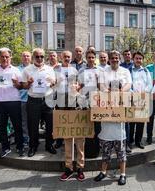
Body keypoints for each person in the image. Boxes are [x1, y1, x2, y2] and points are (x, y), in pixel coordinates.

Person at [94, 50, 132, 186]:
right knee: (105, 149)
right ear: (109, 60)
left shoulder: (125, 71)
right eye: (112, 58)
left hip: (120, 108)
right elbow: (101, 85)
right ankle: (103, 172)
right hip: (106, 108)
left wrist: (122, 91)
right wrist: (107, 92)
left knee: (121, 148)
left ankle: (122, 174)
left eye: (117, 58)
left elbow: (129, 84)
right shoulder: (104, 72)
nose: (115, 60)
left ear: (119, 59)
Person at [0, 47, 25, 158]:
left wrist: (16, 84)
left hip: (14, 101)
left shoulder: (16, 70)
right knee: (1, 126)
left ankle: (20, 146)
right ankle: (5, 147)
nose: (5, 58)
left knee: (17, 125)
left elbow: (21, 86)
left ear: (10, 57)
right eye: (2, 56)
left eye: (7, 56)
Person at [56, 51, 86, 182]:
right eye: (65, 57)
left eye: (69, 57)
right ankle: (68, 168)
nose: (67, 59)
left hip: (76, 106)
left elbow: (82, 84)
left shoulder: (75, 70)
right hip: (62, 106)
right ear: (61, 58)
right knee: (67, 138)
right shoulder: (56, 70)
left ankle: (80, 167)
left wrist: (78, 87)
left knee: (80, 139)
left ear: (71, 58)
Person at [22, 48, 57, 157]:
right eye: (37, 56)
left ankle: (49, 145)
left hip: (47, 99)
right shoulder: (27, 70)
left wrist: (52, 83)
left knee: (50, 124)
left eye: (42, 56)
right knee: (33, 125)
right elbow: (24, 86)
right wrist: (28, 83)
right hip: (33, 100)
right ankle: (33, 146)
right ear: (33, 58)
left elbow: (54, 84)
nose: (40, 58)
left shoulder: (50, 69)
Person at [78, 49, 101, 159]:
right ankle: (86, 151)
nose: (91, 59)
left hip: (97, 103)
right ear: (86, 58)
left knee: (96, 128)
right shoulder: (81, 71)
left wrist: (98, 81)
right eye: (89, 57)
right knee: (86, 127)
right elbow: (79, 86)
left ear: (94, 58)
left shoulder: (100, 70)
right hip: (85, 103)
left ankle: (95, 151)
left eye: (92, 57)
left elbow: (103, 88)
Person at [129, 51, 152, 149]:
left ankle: (138, 141)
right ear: (133, 59)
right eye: (136, 58)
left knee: (140, 122)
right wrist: (132, 93)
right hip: (131, 98)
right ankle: (129, 141)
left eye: (140, 58)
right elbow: (127, 83)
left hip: (143, 98)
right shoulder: (129, 70)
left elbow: (149, 84)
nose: (138, 60)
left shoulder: (146, 71)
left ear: (142, 60)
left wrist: (144, 93)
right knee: (131, 121)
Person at [18, 51, 32, 149]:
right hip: (22, 98)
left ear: (31, 58)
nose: (26, 57)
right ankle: (26, 138)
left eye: (28, 56)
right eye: (24, 56)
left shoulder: (35, 68)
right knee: (24, 120)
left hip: (34, 98)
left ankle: (33, 138)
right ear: (21, 58)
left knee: (34, 121)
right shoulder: (17, 69)